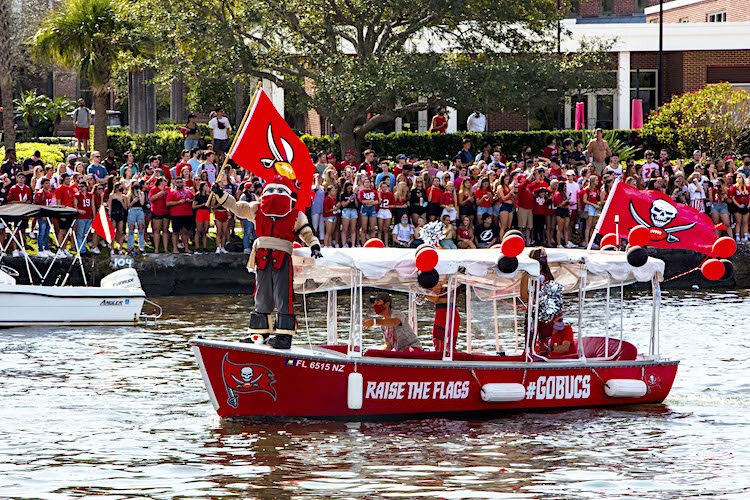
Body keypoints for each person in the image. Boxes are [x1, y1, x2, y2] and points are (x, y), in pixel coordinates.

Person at [212, 175, 322, 349]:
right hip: (262, 256)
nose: (274, 193)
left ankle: (284, 336)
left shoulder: (295, 214)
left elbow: (306, 232)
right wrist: (221, 194)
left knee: (283, 295)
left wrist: (314, 245)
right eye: (270, 190)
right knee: (262, 294)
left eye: (279, 190)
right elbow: (236, 207)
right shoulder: (257, 209)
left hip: (282, 256)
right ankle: (259, 333)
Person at [520, 247, 564, 355]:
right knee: (530, 337)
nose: (544, 257)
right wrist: (537, 301)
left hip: (547, 312)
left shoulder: (547, 274)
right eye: (542, 255)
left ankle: (544, 356)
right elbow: (523, 295)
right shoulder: (527, 275)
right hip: (533, 311)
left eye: (545, 255)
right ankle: (528, 356)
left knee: (546, 340)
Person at [425, 282, 460, 353]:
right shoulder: (453, 280)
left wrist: (424, 295)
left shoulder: (439, 280)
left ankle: (441, 362)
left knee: (439, 344)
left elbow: (435, 297)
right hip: (453, 311)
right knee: (451, 346)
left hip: (443, 313)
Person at [167, 176, 195, 254]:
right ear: (175, 183)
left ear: (183, 182)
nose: (179, 183)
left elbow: (194, 200)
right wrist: (178, 202)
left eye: (181, 182)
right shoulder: (172, 192)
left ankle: (186, 248)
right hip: (176, 214)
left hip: (187, 214)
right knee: (175, 232)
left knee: (185, 232)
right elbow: (168, 203)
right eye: (178, 182)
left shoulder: (189, 191)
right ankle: (175, 249)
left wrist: (190, 200)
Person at [148, 178, 170, 253]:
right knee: (156, 231)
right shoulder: (154, 189)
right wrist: (159, 194)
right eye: (165, 181)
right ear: (160, 182)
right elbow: (151, 199)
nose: (166, 182)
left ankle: (166, 249)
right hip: (157, 211)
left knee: (165, 230)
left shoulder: (168, 189)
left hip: (166, 211)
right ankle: (156, 248)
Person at [73, 182, 96, 254]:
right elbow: (75, 207)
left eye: (82, 186)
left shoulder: (90, 195)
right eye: (79, 187)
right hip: (81, 217)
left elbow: (93, 205)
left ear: (86, 187)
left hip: (89, 216)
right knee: (80, 233)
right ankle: (80, 249)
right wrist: (79, 211)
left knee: (85, 233)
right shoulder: (77, 196)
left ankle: (83, 248)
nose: (80, 188)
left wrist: (94, 216)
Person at [126, 183, 146, 255]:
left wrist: (140, 195)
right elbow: (128, 205)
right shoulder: (129, 195)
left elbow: (142, 203)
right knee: (131, 229)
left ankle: (141, 247)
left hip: (139, 210)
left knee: (141, 228)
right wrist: (133, 201)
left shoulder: (141, 193)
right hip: (132, 210)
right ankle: (130, 247)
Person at [193, 181, 211, 254]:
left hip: (206, 212)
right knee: (198, 230)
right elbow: (193, 206)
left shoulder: (208, 196)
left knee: (205, 231)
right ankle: (197, 247)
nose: (207, 187)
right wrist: (202, 204)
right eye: (205, 186)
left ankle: (204, 247)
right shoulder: (197, 195)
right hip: (200, 212)